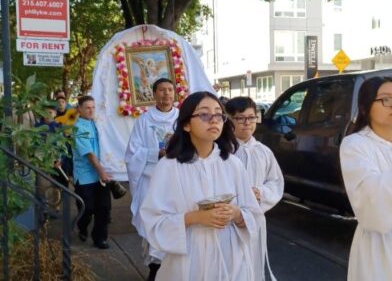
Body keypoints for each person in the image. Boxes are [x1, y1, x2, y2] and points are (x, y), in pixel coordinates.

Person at [140, 91, 264, 281]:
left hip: (231, 259)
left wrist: (236, 213)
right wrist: (195, 217)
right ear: (186, 124)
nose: (214, 120)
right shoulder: (169, 167)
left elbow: (253, 215)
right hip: (189, 260)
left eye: (218, 115)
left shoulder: (232, 164)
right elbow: (152, 220)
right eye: (204, 114)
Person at [339, 76, 392, 281]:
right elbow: (370, 198)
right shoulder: (354, 145)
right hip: (380, 244)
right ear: (365, 108)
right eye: (386, 99)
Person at [125, 78, 179, 279]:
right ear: (154, 94)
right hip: (152, 183)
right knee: (152, 228)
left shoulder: (182, 120)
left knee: (174, 226)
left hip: (176, 183)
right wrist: (156, 154)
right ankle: (154, 270)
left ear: (175, 94)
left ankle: (172, 270)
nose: (166, 94)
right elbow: (132, 153)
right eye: (162, 90)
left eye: (170, 90)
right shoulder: (144, 120)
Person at [225, 96, 284, 281]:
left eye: (251, 117)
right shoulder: (224, 151)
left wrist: (262, 193)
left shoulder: (263, 151)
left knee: (253, 263)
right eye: (240, 118)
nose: (247, 123)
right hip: (229, 220)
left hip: (254, 219)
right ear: (229, 120)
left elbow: (275, 182)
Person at [73, 95, 112, 249]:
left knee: (104, 209)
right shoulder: (78, 128)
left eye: (93, 107)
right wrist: (101, 171)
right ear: (79, 109)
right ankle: (82, 227)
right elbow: (89, 153)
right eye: (87, 107)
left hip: (101, 175)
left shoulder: (97, 124)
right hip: (85, 176)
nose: (91, 110)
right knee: (87, 209)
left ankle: (100, 238)